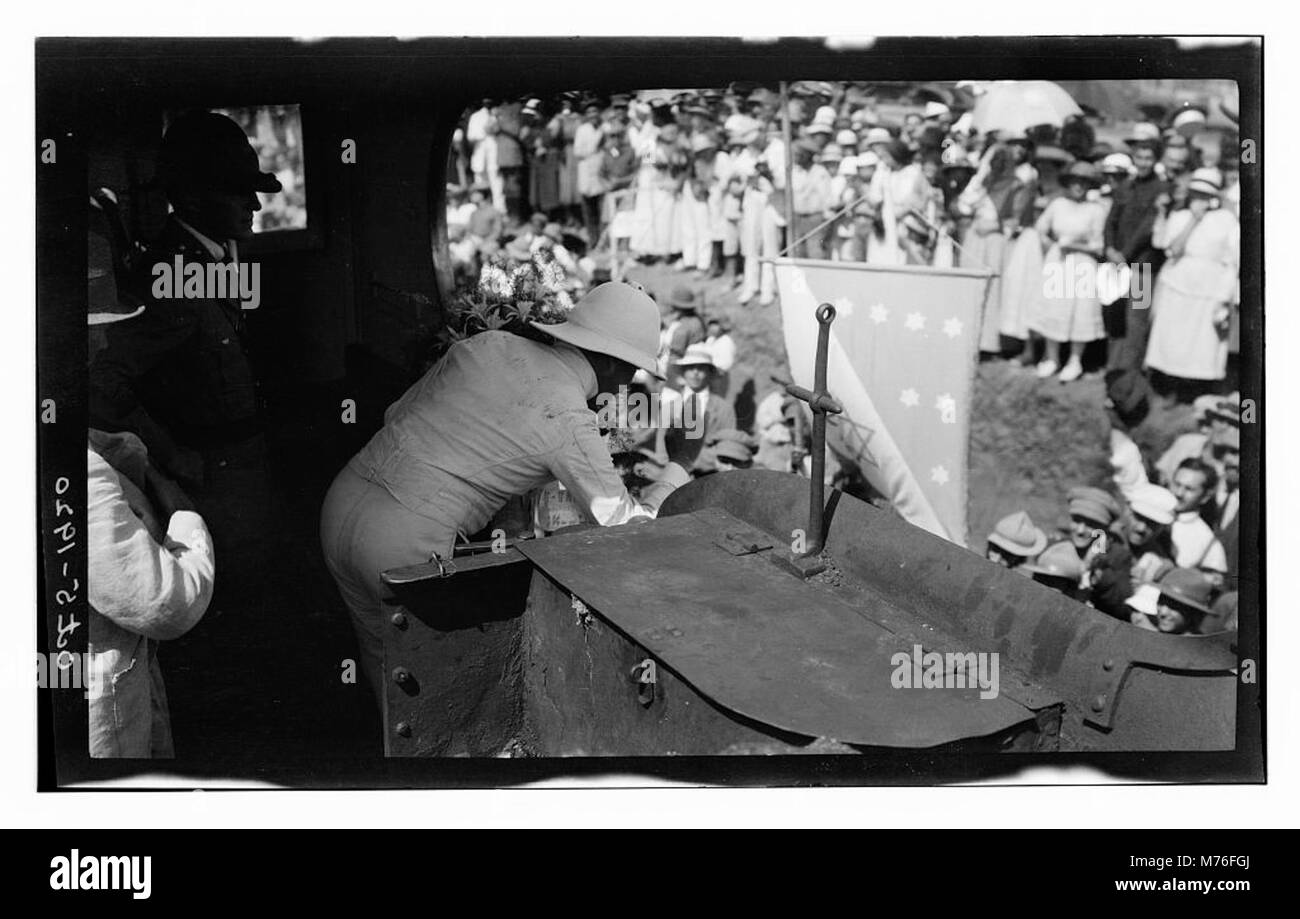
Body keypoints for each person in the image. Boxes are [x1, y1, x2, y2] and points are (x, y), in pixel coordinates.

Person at [320, 283, 692, 698]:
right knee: (432, 694)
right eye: (633, 370)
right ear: (614, 365)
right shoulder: (567, 414)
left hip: (343, 501)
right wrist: (680, 466)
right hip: (404, 538)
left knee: (384, 670)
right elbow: (627, 529)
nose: (629, 381)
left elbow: (396, 414)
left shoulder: (489, 343)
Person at [1145, 167, 1240, 395]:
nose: (1200, 199)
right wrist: (1194, 221)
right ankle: (1169, 385)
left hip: (1210, 286)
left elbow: (1232, 261)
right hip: (1179, 281)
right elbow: (1173, 250)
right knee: (1173, 334)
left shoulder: (1227, 220)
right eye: (1196, 194)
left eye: (1205, 195)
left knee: (1201, 340)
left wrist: (1224, 295)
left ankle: (1196, 389)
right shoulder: (1179, 217)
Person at [1031, 161, 1107, 382]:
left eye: (1084, 183)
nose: (1079, 187)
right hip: (1058, 262)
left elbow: (1098, 245)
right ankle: (1052, 358)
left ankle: (1075, 360)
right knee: (1055, 305)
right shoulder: (1058, 204)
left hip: (1084, 264)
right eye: (1075, 182)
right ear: (1068, 183)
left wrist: (1074, 246)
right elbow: (1041, 228)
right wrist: (1050, 246)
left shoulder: (1095, 209)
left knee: (1080, 310)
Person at [1104, 135, 1168, 371]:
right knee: (1115, 315)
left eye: (1148, 158)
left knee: (1137, 320)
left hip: (1143, 265)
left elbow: (1148, 227)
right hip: (1117, 262)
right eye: (1139, 157)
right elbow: (1111, 220)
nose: (1143, 163)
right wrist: (1110, 248)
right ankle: (1113, 369)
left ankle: (1129, 375)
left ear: (1155, 160)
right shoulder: (1125, 186)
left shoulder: (1161, 188)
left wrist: (1124, 254)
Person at [659, 343, 738, 473]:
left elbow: (728, 448)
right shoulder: (669, 405)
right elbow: (660, 446)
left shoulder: (724, 409)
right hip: (672, 472)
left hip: (709, 474)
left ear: (710, 373)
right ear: (683, 372)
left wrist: (696, 461)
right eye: (691, 368)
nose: (695, 373)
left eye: (701, 368)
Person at [1168, 458, 1228, 581]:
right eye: (1177, 484)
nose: (1179, 493)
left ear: (1205, 497)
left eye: (1189, 489)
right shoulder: (1142, 511)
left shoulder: (1208, 543)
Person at [1153, 568, 1216, 635]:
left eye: (1174, 606)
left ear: (1194, 612)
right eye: (1161, 602)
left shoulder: (1196, 644)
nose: (1163, 612)